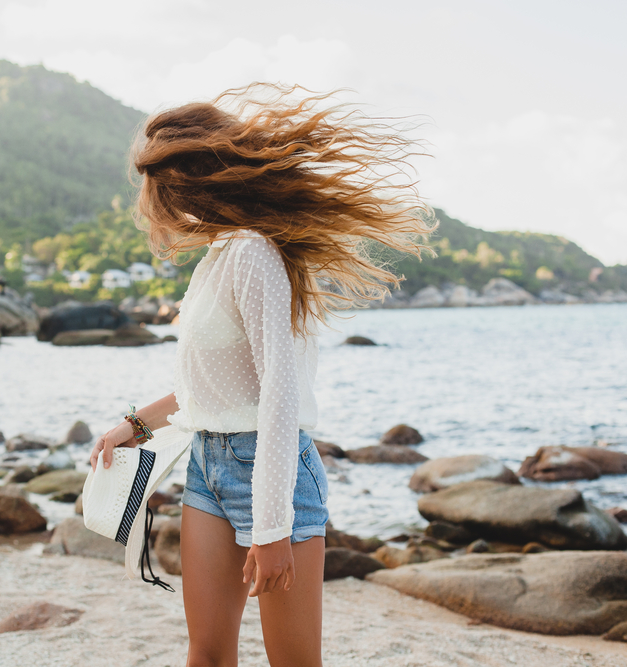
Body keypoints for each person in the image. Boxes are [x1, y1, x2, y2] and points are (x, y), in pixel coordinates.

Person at [90, 85, 433, 667]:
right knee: (207, 654)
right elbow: (215, 383)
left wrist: (273, 527)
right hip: (207, 466)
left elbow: (278, 392)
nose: (154, 203)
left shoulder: (252, 252)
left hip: (271, 471)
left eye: (157, 188)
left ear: (184, 184)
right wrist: (133, 424)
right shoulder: (220, 256)